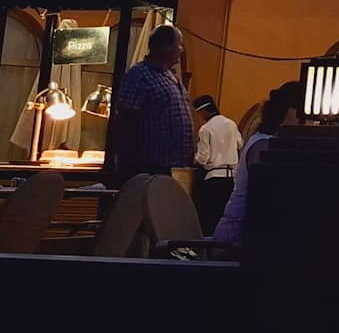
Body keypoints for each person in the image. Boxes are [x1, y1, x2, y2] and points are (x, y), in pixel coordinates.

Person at [210, 81, 304, 248]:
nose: (305, 120)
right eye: (300, 112)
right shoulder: (262, 145)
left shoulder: (281, 144)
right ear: (285, 111)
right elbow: (265, 197)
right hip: (239, 235)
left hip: (262, 231)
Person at [108, 23, 194, 185]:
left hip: (174, 167)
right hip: (147, 167)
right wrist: (124, 163)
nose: (181, 50)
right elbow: (124, 121)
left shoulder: (170, 77)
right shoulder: (139, 76)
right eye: (179, 45)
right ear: (165, 47)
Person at [190, 94, 242, 233]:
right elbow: (239, 144)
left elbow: (203, 158)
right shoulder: (231, 124)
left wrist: (193, 158)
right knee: (223, 215)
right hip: (231, 177)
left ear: (203, 111)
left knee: (209, 218)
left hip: (213, 179)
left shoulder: (206, 129)